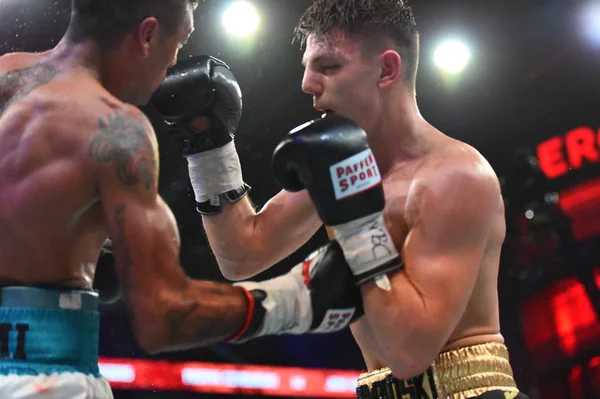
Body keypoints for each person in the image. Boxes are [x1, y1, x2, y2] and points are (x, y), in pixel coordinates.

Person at [0, 0, 388, 397]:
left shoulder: (6, 73)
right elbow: (160, 316)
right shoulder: (117, 132)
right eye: (179, 43)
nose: (173, 64)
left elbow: (241, 254)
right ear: (148, 35)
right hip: (46, 376)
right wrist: (295, 300)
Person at [155, 0, 529, 398]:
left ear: (387, 69)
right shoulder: (341, 162)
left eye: (328, 66)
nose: (307, 84)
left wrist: (356, 219)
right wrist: (209, 150)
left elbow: (408, 352)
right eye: (307, 66)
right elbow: (240, 256)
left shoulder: (455, 177)